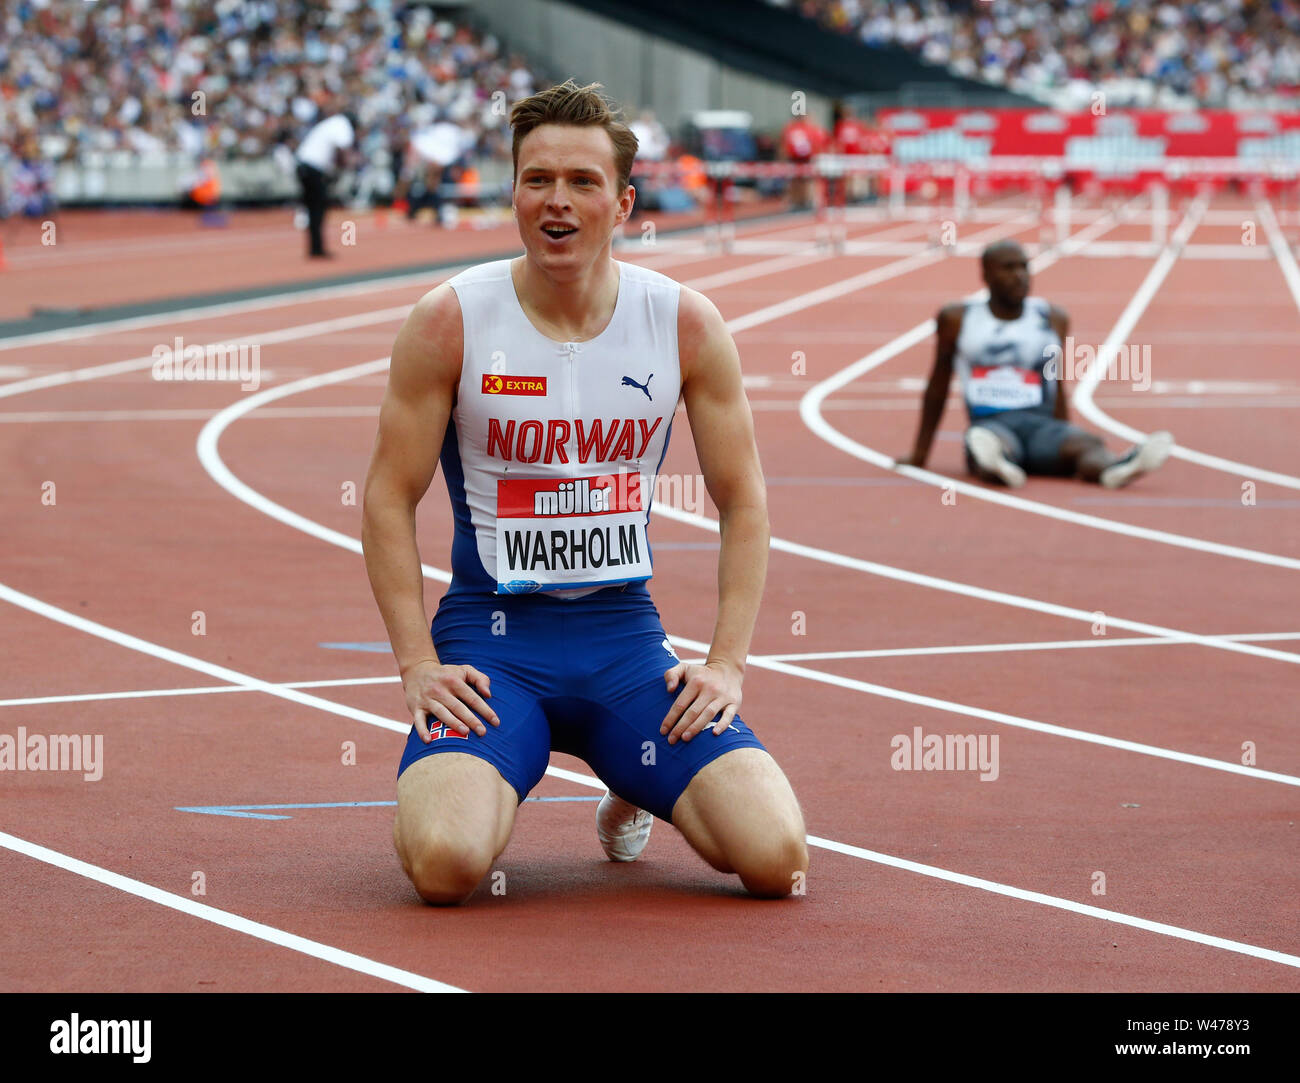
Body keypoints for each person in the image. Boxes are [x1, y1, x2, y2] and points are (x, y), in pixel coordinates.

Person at [361, 80, 808, 905]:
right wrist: (419, 666)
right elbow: (388, 496)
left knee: (776, 857)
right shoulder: (450, 319)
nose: (556, 203)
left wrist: (726, 665)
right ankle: (497, 771)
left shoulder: (683, 322)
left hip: (624, 644)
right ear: (515, 192)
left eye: (581, 182)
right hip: (491, 648)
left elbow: (743, 500)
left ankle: (629, 779)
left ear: (624, 201)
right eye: (537, 180)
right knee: (447, 867)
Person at [898, 240, 1172, 488]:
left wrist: (1066, 431)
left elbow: (1054, 380)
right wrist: (920, 454)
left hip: (1041, 426)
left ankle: (1115, 468)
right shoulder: (958, 319)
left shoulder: (1051, 317)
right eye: (1008, 268)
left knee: (1086, 444)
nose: (1019, 275)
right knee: (986, 443)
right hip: (992, 424)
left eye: (1024, 267)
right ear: (986, 275)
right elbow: (938, 384)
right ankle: (997, 464)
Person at [294, 101, 356, 258]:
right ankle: (317, 248)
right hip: (313, 168)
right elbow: (345, 149)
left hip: (303, 165)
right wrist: (349, 166)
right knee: (318, 208)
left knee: (313, 208)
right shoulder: (342, 124)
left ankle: (315, 247)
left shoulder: (331, 123)